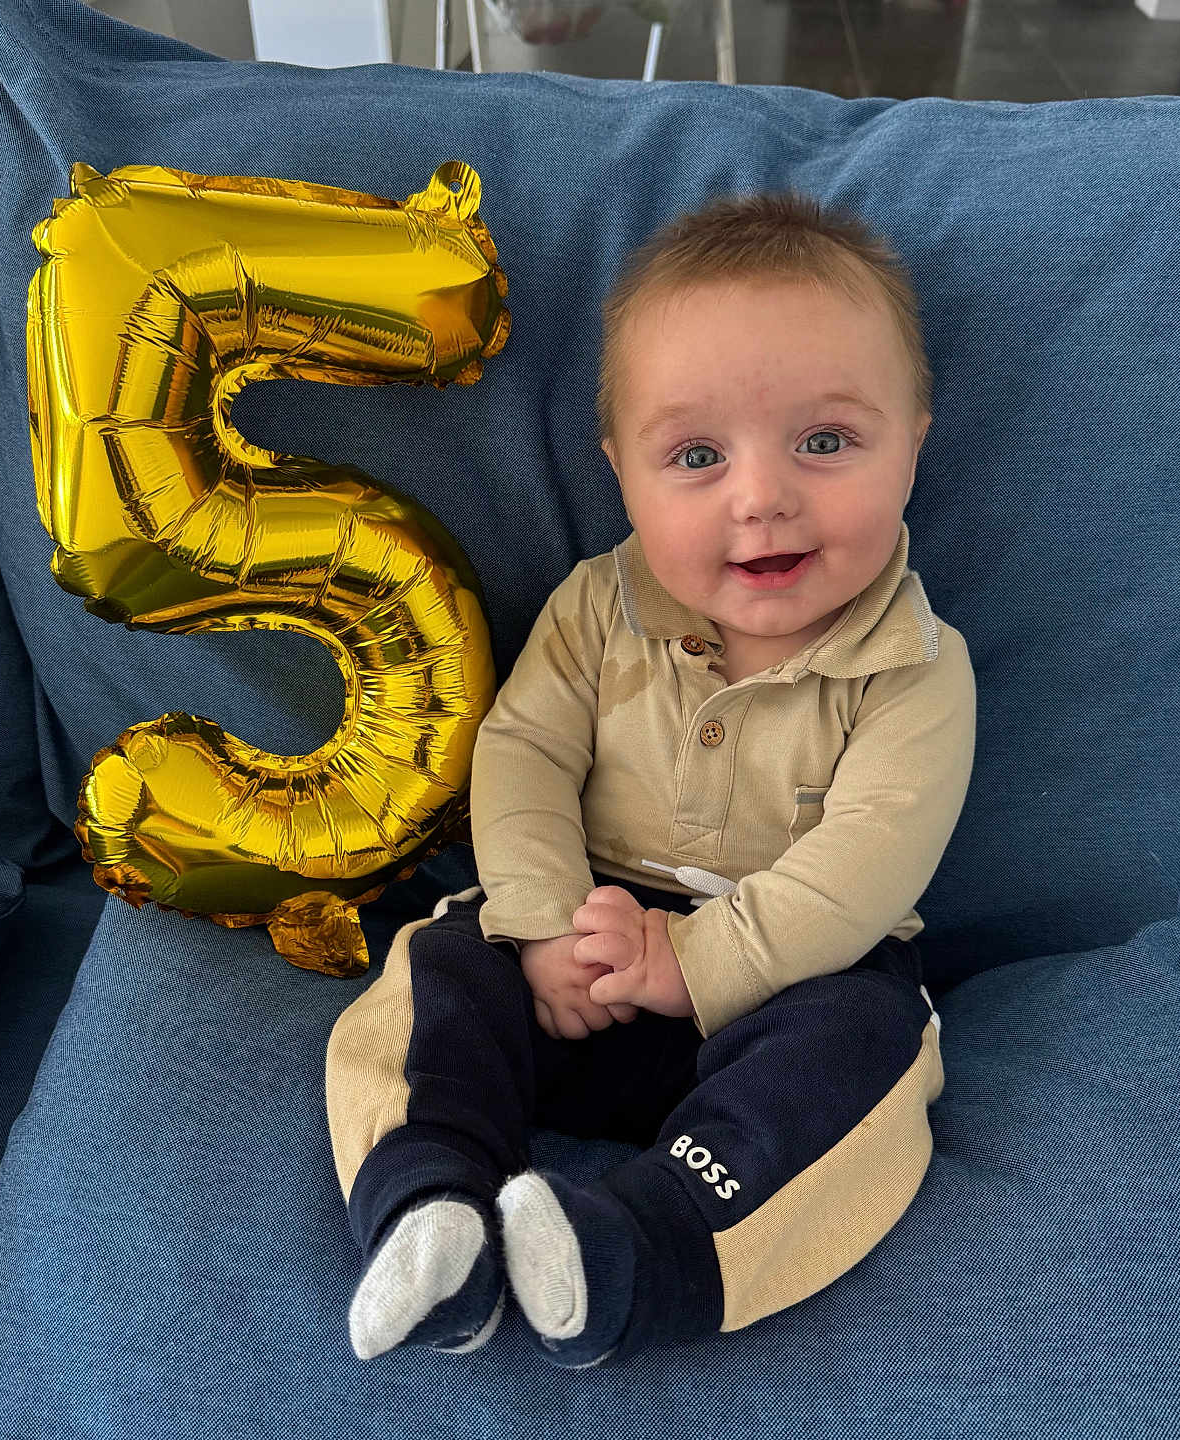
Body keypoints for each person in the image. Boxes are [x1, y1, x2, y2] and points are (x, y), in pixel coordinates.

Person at [325, 188, 977, 1368]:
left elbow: (864, 866)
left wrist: (698, 961)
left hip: (792, 978)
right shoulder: (596, 609)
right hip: (580, 938)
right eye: (695, 455)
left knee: (877, 1055)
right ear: (621, 469)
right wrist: (535, 925)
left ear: (915, 439)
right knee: (434, 966)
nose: (761, 495)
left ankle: (644, 1248)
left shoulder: (917, 671)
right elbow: (521, 753)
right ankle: (432, 1205)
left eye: (825, 442)